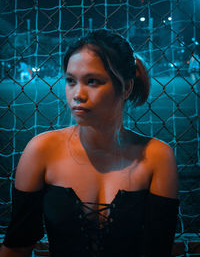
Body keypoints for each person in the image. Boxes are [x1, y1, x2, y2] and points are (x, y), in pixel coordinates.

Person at [0, 29, 179, 257]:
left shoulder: (156, 157)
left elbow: (157, 251)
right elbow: (17, 246)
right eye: (71, 81)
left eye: (92, 81)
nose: (77, 94)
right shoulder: (41, 151)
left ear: (126, 88)